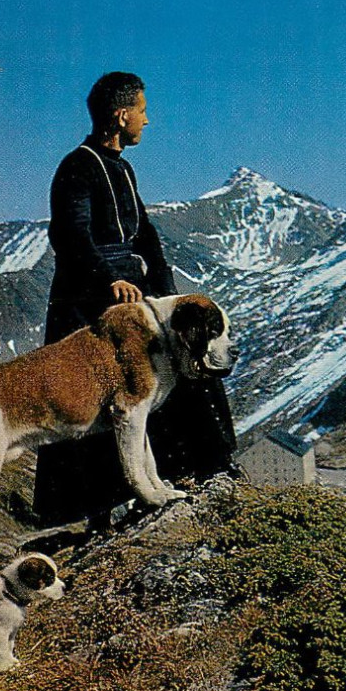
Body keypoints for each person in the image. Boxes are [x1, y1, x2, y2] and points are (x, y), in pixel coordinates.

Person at [33, 71, 236, 527]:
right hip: (89, 301)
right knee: (93, 399)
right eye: (142, 111)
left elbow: (145, 235)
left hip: (137, 298)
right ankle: (98, 509)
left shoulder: (123, 167)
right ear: (122, 114)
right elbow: (71, 235)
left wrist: (167, 291)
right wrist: (109, 280)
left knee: (184, 365)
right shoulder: (77, 166)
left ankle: (203, 469)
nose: (148, 120)